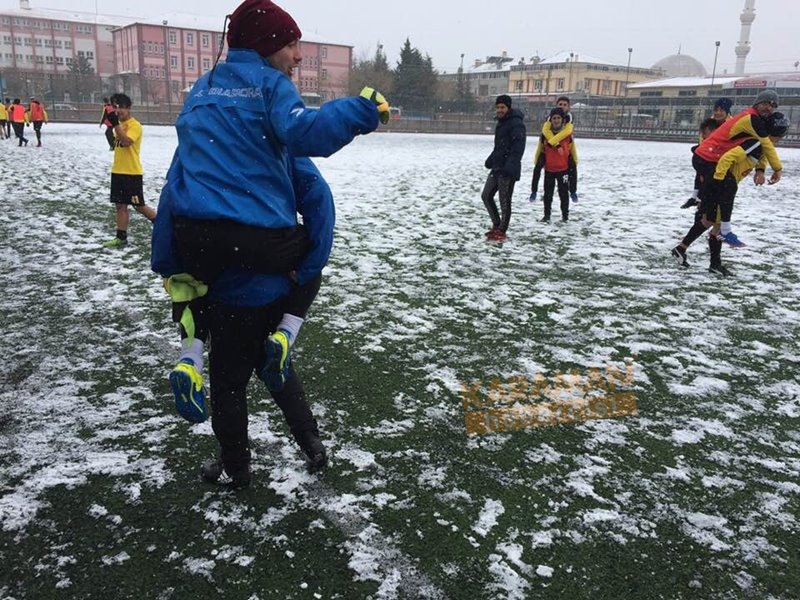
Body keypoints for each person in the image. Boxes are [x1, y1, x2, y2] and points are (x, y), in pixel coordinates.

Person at [151, 0, 389, 488]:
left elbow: (177, 178)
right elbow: (309, 155)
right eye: (292, 44)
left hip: (204, 248)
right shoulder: (270, 97)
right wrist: (363, 110)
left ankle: (195, 362)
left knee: (225, 357)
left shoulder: (202, 90)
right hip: (264, 250)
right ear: (266, 46)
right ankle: (301, 435)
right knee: (258, 363)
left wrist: (168, 259)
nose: (298, 55)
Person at [671, 111, 788, 273]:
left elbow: (762, 155)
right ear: (772, 134)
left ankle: (682, 249)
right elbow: (728, 157)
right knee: (716, 223)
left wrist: (760, 171)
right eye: (778, 137)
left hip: (720, 183)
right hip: (720, 184)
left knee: (709, 220)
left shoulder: (759, 145)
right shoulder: (753, 142)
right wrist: (719, 181)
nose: (777, 141)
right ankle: (714, 264)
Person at [691, 89, 782, 248]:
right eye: (766, 103)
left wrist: (761, 169)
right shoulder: (752, 119)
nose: (769, 107)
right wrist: (777, 168)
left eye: (773, 105)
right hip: (707, 159)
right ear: (757, 103)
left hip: (711, 159)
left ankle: (692, 245)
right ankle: (721, 232)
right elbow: (765, 144)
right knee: (722, 193)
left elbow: (762, 147)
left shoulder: (752, 120)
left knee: (718, 201)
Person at [103, 93, 156, 247]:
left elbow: (126, 142)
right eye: (114, 108)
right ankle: (121, 237)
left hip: (132, 172)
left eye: (120, 107)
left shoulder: (135, 125)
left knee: (138, 205)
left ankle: (162, 225)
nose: (117, 111)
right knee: (120, 205)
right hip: (118, 171)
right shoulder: (117, 126)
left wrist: (115, 125)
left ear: (128, 108)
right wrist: (114, 126)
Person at [482, 94, 526, 241]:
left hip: (508, 169)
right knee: (486, 195)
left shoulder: (516, 123)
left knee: (504, 200)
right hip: (497, 166)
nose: (499, 110)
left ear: (508, 107)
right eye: (498, 107)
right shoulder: (501, 123)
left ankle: (502, 230)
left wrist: (510, 166)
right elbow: (499, 147)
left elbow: (517, 148)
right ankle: (496, 223)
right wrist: (491, 159)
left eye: (502, 107)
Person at [681, 97, 733, 208]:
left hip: (722, 158)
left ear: (727, 111)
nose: (718, 113)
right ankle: (696, 198)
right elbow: (703, 139)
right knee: (700, 169)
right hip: (709, 154)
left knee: (711, 181)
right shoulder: (709, 123)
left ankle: (700, 200)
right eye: (716, 110)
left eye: (721, 110)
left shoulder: (732, 124)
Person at [530, 96, 579, 205]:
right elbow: (546, 132)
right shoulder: (550, 118)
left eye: (565, 105)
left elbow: (566, 133)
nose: (562, 107)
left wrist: (553, 142)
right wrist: (555, 144)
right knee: (537, 168)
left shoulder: (569, 120)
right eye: (560, 104)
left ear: (569, 107)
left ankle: (573, 192)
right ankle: (534, 191)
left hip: (565, 150)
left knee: (573, 168)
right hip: (548, 150)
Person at [530, 107, 573, 222]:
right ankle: (546, 215)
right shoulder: (545, 134)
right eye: (554, 118)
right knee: (547, 194)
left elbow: (571, 150)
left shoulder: (567, 134)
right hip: (549, 169)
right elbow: (542, 149)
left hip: (563, 169)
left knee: (563, 194)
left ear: (562, 120)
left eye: (558, 118)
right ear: (551, 119)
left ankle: (565, 216)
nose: (556, 120)